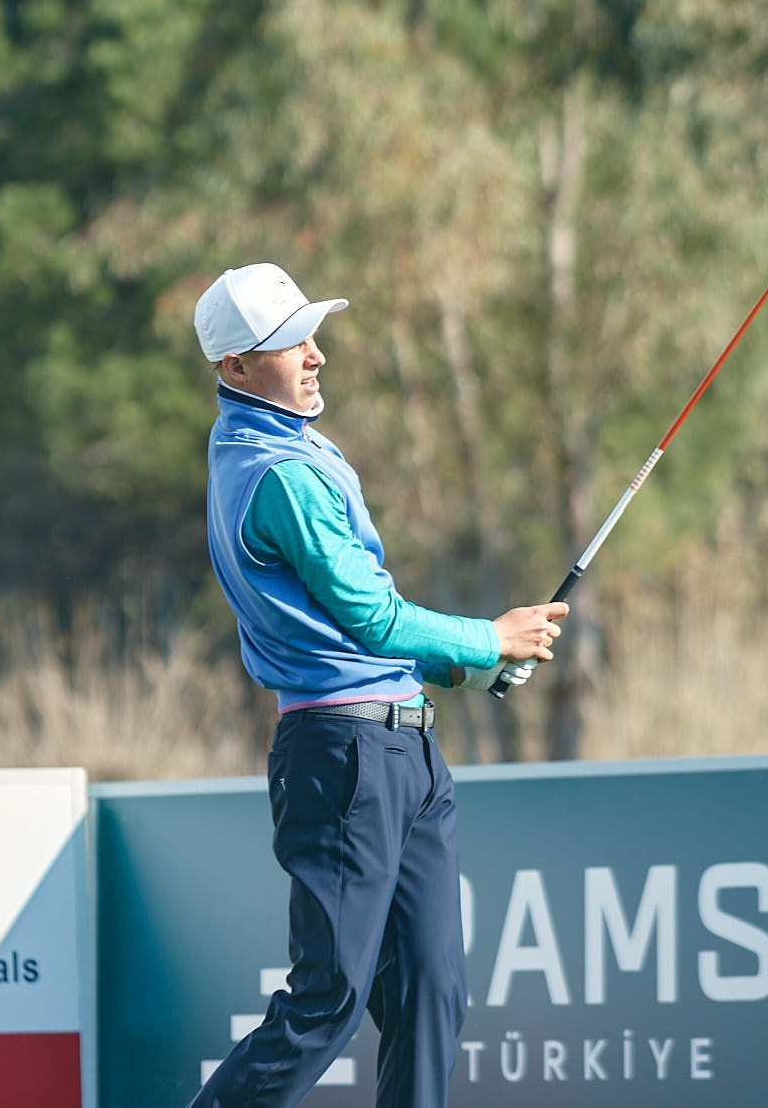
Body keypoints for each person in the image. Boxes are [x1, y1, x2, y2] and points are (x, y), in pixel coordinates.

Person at [189, 262, 567, 1108]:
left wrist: (476, 660)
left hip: (402, 745)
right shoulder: (274, 471)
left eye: (312, 334)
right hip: (345, 752)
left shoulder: (285, 446)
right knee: (328, 1000)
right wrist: (485, 637)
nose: (315, 354)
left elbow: (359, 631)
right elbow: (372, 616)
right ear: (236, 369)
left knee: (432, 991)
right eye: (289, 343)